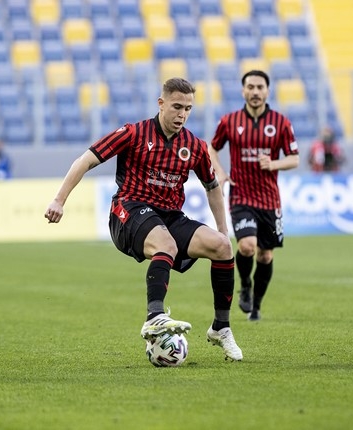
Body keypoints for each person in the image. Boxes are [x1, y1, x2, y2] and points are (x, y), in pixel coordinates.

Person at [45, 77, 243, 361]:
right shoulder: (133, 133)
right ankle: (155, 316)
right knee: (167, 244)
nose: (182, 114)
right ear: (161, 103)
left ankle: (221, 328)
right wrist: (59, 200)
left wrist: (223, 231)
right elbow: (85, 160)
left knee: (222, 248)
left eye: (188, 108)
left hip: (170, 215)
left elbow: (212, 188)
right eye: (176, 106)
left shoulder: (195, 146)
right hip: (128, 210)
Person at [209, 70, 299, 322]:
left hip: (270, 200)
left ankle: (257, 305)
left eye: (260, 87)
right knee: (247, 246)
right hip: (241, 195)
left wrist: (273, 164)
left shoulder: (281, 123)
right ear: (243, 91)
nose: (255, 91)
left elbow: (294, 158)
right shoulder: (229, 121)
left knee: (265, 255)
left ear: (267, 91)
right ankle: (245, 285)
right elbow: (211, 147)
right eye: (251, 87)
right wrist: (221, 172)